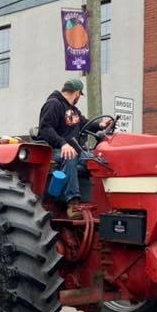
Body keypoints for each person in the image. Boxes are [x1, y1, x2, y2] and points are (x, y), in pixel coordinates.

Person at [37, 78, 111, 218]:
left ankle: (104, 202)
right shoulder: (53, 104)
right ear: (77, 93)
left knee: (96, 161)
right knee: (70, 156)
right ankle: (72, 203)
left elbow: (84, 124)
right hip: (52, 150)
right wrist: (62, 143)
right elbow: (45, 128)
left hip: (73, 150)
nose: (79, 98)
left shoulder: (73, 110)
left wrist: (100, 125)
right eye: (79, 95)